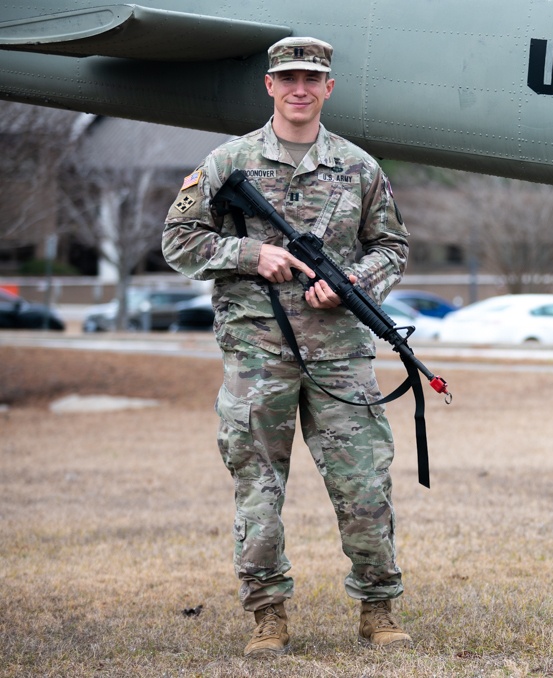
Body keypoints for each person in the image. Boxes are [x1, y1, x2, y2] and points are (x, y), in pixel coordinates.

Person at [162, 36, 412, 657]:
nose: (300, 88)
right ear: (269, 86)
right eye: (288, 78)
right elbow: (178, 243)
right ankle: (267, 615)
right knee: (258, 488)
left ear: (328, 89)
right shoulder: (228, 162)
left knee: (363, 487)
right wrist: (252, 253)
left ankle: (378, 608)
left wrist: (354, 281)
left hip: (341, 357)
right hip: (257, 356)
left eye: (312, 79)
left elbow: (393, 247)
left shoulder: (359, 166)